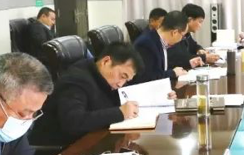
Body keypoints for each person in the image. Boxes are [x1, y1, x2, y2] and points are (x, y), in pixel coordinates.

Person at [30, 42, 160, 146]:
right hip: (63, 150)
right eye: (122, 76)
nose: (121, 84)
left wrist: (160, 96)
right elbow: (73, 122)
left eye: (126, 80)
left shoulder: (101, 74)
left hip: (92, 139)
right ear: (106, 61)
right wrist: (120, 112)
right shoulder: (76, 80)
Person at [132, 10, 189, 84]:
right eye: (183, 36)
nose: (182, 39)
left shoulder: (160, 41)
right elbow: (145, 78)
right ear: (174, 33)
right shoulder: (146, 44)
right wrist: (173, 73)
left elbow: (162, 68)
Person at [168, 4, 221, 70]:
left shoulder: (187, 34)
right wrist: (204, 58)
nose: (200, 26)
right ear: (189, 20)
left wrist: (199, 50)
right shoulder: (177, 34)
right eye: (200, 22)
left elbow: (194, 45)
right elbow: (181, 58)